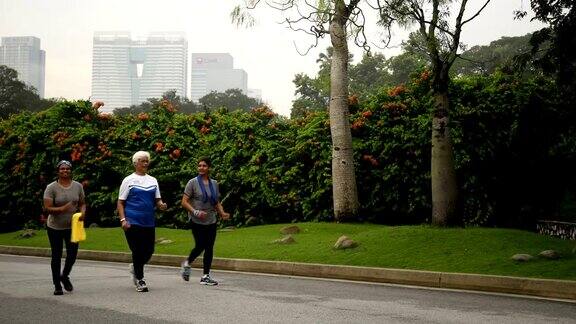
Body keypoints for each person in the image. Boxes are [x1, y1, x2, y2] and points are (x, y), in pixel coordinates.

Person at [117, 151, 167, 292]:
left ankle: (135, 267)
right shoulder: (128, 180)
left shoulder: (153, 180)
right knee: (137, 250)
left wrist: (161, 205)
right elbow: (120, 202)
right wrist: (123, 220)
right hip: (132, 220)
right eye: (142, 161)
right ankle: (140, 279)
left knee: (149, 250)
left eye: (147, 161)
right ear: (135, 163)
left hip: (148, 221)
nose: (145, 163)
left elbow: (157, 200)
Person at [181, 156, 230, 285]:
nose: (201, 168)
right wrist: (195, 211)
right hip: (196, 220)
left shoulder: (214, 183)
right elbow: (184, 202)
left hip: (211, 219)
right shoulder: (192, 183)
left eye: (204, 166)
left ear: (209, 168)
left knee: (209, 247)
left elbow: (216, 202)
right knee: (200, 245)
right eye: (199, 165)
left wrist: (222, 213)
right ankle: (187, 263)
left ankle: (205, 276)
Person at [43, 160, 86, 296]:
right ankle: (57, 285)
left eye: (67, 169)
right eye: (62, 169)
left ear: (71, 171)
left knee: (72, 255)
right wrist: (63, 208)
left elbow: (82, 203)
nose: (65, 171)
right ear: (58, 171)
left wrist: (83, 213)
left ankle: (64, 275)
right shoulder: (51, 187)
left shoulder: (78, 186)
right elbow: (47, 208)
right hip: (55, 227)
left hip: (72, 226)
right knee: (56, 256)